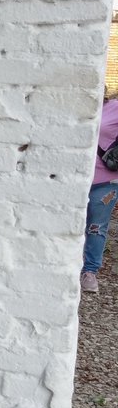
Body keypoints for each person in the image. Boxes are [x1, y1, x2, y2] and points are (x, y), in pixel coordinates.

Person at [83, 94, 118, 292]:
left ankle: (90, 272)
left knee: (96, 227)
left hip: (106, 180)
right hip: (77, 177)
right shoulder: (90, 105)